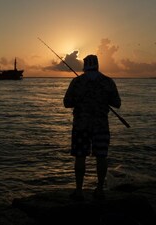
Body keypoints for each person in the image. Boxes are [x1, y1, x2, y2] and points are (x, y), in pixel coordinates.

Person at [63, 55, 121, 201]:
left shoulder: (77, 82)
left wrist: (80, 98)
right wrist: (103, 98)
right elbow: (117, 103)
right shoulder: (107, 81)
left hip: (80, 126)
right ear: (97, 65)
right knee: (101, 157)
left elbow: (67, 103)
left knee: (80, 157)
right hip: (101, 125)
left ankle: (78, 191)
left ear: (84, 66)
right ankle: (100, 189)